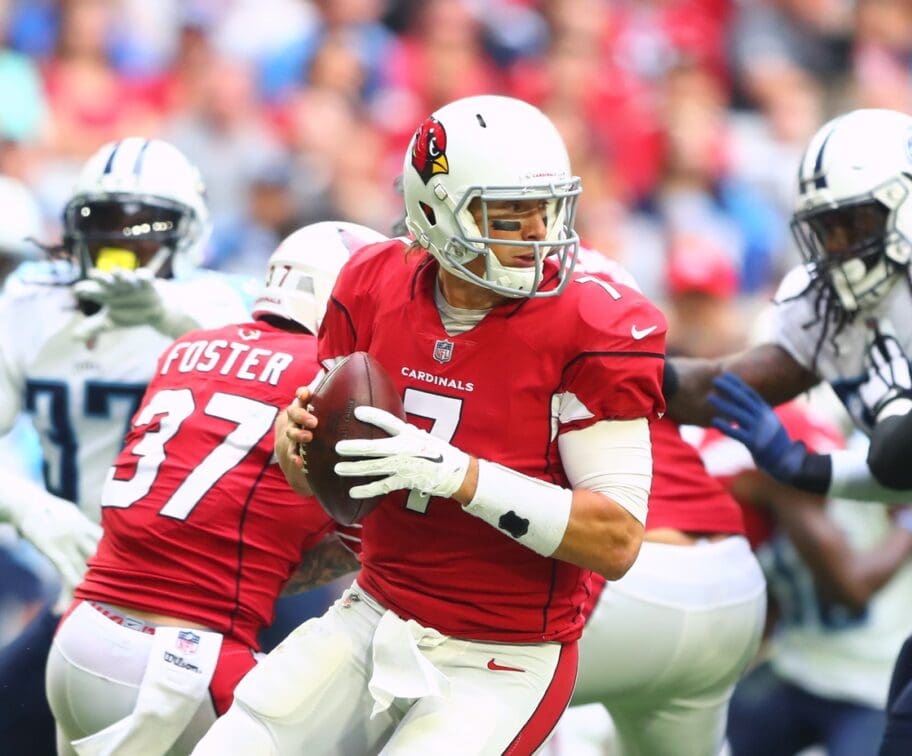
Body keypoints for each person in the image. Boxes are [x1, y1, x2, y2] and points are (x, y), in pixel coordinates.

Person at [195, 94, 667, 755]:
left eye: (546, 208)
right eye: (509, 215)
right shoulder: (372, 281)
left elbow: (615, 540)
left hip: (499, 655)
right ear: (435, 213)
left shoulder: (593, 322)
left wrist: (458, 476)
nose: (538, 233)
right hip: (377, 610)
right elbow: (314, 482)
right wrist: (294, 440)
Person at [665, 107, 912, 754]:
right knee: (908, 726)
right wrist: (603, 367)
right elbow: (719, 386)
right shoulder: (832, 305)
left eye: (853, 224)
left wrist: (809, 468)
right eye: (824, 229)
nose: (837, 248)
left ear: (911, 205)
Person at [44, 221, 379, 756]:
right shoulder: (322, 380)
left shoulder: (188, 348)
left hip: (79, 637)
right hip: (181, 661)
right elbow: (375, 545)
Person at [0, 137, 251, 755]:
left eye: (142, 228)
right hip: (79, 577)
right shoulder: (34, 303)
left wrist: (166, 315)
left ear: (187, 236)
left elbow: (257, 357)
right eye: (104, 222)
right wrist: (31, 507)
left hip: (207, 591)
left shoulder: (219, 306)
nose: (119, 244)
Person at [540, 248, 766, 756]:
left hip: (628, 585)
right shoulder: (628, 345)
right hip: (732, 584)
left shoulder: (520, 335)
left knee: (445, 675)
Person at [695, 398, 912, 756]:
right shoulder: (753, 512)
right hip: (801, 669)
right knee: (702, 737)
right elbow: (771, 603)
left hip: (875, 682)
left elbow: (851, 588)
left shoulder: (795, 493)